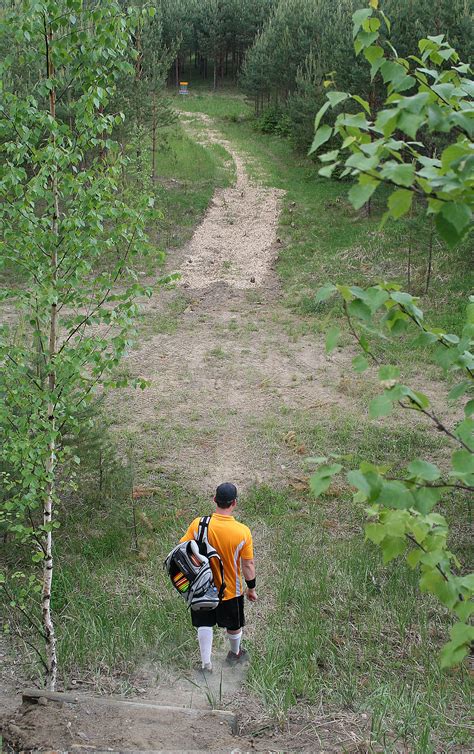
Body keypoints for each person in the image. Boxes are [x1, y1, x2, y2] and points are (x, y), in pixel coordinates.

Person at [180, 482, 257, 672]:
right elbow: (247, 565)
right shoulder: (242, 532)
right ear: (234, 503)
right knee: (234, 625)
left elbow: (183, 549)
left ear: (215, 500)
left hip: (201, 588)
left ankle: (206, 666)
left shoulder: (199, 524)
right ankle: (235, 654)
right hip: (230, 590)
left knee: (204, 623)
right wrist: (251, 588)